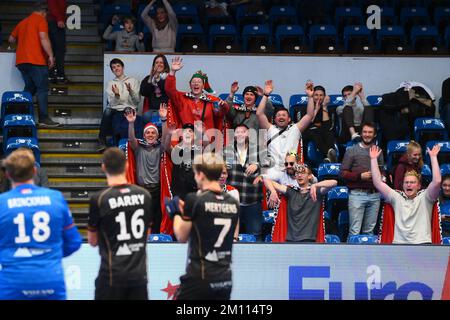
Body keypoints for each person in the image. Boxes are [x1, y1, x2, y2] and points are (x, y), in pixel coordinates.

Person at [0, 148, 82, 300]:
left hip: (13, 282)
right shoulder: (55, 198)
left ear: (8, 174)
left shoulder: (2, 203)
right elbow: (74, 242)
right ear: (34, 170)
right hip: (50, 278)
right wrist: (50, 255)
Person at [87, 147, 153, 300]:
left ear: (103, 167)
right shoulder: (145, 195)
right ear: (127, 165)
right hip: (139, 277)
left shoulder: (100, 198)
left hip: (111, 277)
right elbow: (146, 234)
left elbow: (93, 241)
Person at [172, 152, 239, 300]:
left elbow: (181, 236)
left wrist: (176, 213)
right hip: (225, 278)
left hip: (200, 277)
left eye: (195, 173)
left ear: (201, 175)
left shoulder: (195, 199)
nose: (195, 177)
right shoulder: (233, 202)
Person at [371, 145, 442, 244]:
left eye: (412, 182)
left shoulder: (426, 197)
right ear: (403, 185)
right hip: (399, 245)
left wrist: (433, 157)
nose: (409, 185)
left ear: (419, 185)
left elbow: (437, 181)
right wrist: (373, 159)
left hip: (422, 244)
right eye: (406, 182)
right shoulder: (397, 197)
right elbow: (378, 183)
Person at [8, 1, 60, 127]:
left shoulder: (23, 22)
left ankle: (17, 113)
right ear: (44, 12)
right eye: (46, 15)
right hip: (35, 60)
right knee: (42, 88)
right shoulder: (41, 20)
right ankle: (43, 118)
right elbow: (43, 37)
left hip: (21, 62)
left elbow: (11, 39)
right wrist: (51, 56)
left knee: (30, 88)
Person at [256, 80, 314, 180]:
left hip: (292, 170)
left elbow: (309, 115)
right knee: (260, 180)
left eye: (284, 115)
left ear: (289, 119)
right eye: (278, 115)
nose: (281, 117)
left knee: (311, 179)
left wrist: (310, 97)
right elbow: (259, 114)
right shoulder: (271, 129)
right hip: (273, 170)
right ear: (275, 119)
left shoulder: (295, 129)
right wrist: (265, 95)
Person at [264, 163, 337, 242]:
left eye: (302, 173)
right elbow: (266, 179)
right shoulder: (290, 191)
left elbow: (334, 182)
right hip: (290, 240)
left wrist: (315, 185)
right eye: (297, 173)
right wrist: (273, 191)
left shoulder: (316, 192)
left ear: (309, 176)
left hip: (310, 240)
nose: (299, 175)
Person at [125, 105, 166, 233]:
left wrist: (164, 121)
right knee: (142, 222)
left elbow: (165, 140)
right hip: (142, 190)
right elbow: (131, 139)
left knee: (157, 222)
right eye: (147, 132)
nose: (150, 135)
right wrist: (131, 124)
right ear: (143, 135)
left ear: (157, 135)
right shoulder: (138, 148)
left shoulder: (160, 148)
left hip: (158, 190)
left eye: (153, 132)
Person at [165, 56, 226, 142]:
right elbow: (169, 90)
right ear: (190, 85)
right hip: (186, 142)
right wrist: (172, 72)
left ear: (203, 86)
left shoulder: (211, 100)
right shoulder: (182, 98)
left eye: (199, 82)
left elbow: (221, 113)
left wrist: (223, 106)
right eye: (193, 82)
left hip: (206, 143)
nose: (196, 83)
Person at [340, 122, 384, 237]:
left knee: (369, 233)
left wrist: (382, 177)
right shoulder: (352, 150)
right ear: (360, 134)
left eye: (370, 132)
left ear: (374, 135)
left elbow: (382, 171)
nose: (367, 134)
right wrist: (360, 176)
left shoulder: (378, 151)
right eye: (365, 132)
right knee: (354, 232)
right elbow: (342, 173)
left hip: (375, 195)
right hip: (357, 195)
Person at [225, 124, 263, 240]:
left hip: (253, 201)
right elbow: (216, 170)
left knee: (256, 235)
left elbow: (270, 163)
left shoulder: (258, 149)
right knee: (230, 236)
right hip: (232, 202)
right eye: (237, 132)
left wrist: (257, 165)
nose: (240, 134)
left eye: (243, 131)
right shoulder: (226, 151)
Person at [98, 58, 142, 151]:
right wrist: (117, 95)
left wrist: (131, 92)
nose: (116, 68)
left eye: (118, 66)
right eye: (113, 67)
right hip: (116, 109)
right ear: (112, 70)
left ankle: (119, 144)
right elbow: (111, 103)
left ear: (123, 67)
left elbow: (137, 101)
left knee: (124, 112)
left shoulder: (133, 81)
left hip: (129, 108)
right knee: (107, 111)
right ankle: (102, 139)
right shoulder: (110, 83)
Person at [303, 85, 338, 163]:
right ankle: (329, 154)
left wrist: (324, 107)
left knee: (328, 133)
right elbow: (306, 124)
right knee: (314, 132)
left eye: (321, 95)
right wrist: (316, 110)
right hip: (308, 132)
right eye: (316, 95)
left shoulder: (329, 109)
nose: (318, 97)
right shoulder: (306, 107)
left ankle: (329, 158)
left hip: (322, 131)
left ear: (325, 97)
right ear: (312, 95)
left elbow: (327, 127)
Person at [140, 54, 170, 123]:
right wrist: (151, 77)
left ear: (165, 65)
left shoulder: (169, 77)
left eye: (161, 62)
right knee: (146, 116)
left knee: (155, 115)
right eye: (157, 62)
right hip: (152, 109)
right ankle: (153, 131)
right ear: (153, 65)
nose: (159, 64)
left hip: (165, 109)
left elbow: (166, 89)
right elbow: (143, 92)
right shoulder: (148, 78)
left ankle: (158, 131)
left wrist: (158, 78)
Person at [47, 0, 68, 84]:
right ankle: (59, 76)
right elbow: (53, 6)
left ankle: (51, 76)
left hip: (54, 22)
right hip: (55, 22)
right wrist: (59, 19)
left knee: (55, 50)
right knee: (59, 50)